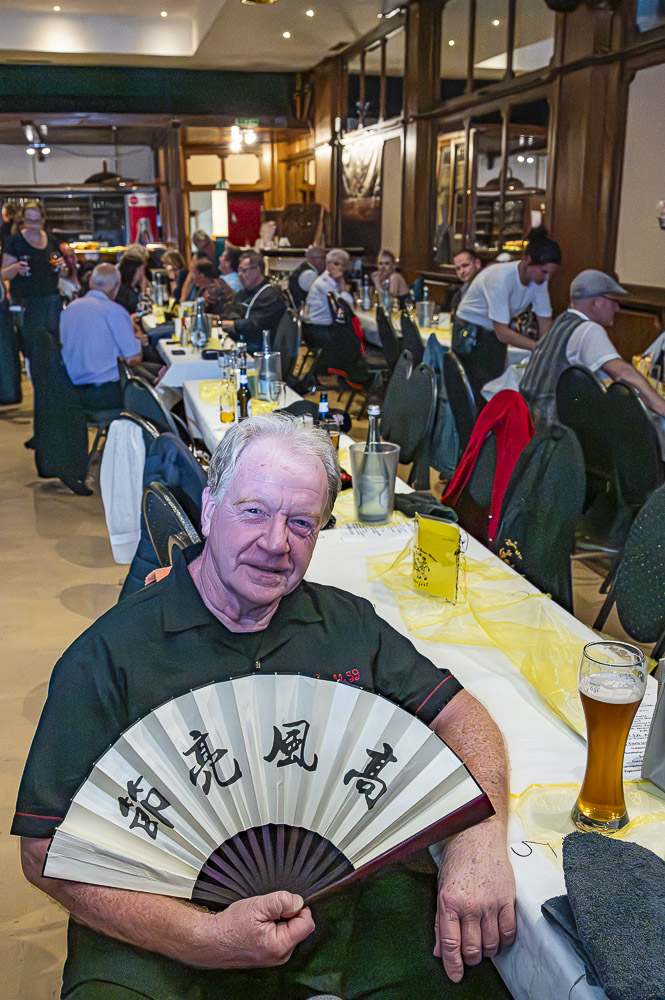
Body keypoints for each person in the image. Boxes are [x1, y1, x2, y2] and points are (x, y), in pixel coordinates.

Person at [14, 414, 515, 1000]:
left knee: (471, 969)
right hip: (169, 927)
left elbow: (461, 717)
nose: (276, 543)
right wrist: (201, 938)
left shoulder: (347, 625)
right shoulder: (111, 654)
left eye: (301, 523)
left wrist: (483, 830)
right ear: (209, 510)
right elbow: (44, 850)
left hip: (345, 908)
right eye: (253, 511)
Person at [520, 268, 665, 430]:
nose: (617, 308)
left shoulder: (561, 322)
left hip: (531, 423)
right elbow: (622, 372)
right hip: (556, 431)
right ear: (597, 302)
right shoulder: (589, 329)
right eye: (613, 301)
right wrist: (661, 407)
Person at [453, 227, 561, 398]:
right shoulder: (502, 278)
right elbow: (502, 333)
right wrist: (538, 348)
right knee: (478, 393)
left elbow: (545, 322)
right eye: (544, 272)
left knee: (495, 391)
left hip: (491, 333)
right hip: (470, 333)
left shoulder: (539, 282)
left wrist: (546, 348)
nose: (547, 278)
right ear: (528, 260)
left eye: (551, 273)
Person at [60, 262, 143, 411]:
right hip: (107, 392)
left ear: (90, 280)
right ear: (116, 287)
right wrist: (137, 336)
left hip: (72, 392)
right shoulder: (113, 310)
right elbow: (133, 358)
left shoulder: (68, 311)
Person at [220, 252, 286, 352]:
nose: (239, 275)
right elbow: (231, 314)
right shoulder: (242, 293)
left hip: (257, 351)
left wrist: (223, 324)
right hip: (238, 345)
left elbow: (254, 325)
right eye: (239, 270)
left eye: (243, 270)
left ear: (257, 270)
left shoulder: (271, 295)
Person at [288, 245, 326, 310]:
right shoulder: (309, 274)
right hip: (305, 311)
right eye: (323, 258)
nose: (326, 262)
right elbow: (320, 297)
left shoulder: (304, 269)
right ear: (314, 258)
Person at [449, 248, 482, 315]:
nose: (461, 271)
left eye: (465, 265)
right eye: (458, 268)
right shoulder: (460, 291)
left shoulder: (485, 286)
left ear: (477, 264)